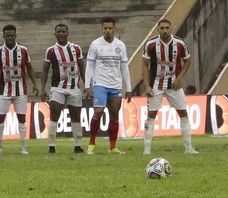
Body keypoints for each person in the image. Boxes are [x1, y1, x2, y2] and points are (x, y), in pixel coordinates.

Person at [141, 18, 197, 155]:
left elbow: (188, 61)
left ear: (171, 29)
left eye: (167, 28)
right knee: (151, 115)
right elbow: (144, 65)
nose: (164, 31)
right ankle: (147, 150)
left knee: (183, 113)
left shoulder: (179, 43)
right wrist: (147, 86)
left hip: (174, 84)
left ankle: (189, 148)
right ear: (158, 29)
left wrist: (179, 77)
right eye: (162, 28)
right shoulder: (150, 44)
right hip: (156, 84)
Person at [85, 17, 131, 154]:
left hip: (116, 86)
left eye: (110, 28)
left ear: (114, 29)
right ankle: (91, 144)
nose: (108, 31)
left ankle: (112, 147)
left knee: (114, 115)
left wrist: (128, 87)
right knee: (98, 112)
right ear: (102, 29)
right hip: (100, 84)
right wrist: (88, 85)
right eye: (105, 28)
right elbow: (89, 66)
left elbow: (124, 68)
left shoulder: (120, 46)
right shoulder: (95, 45)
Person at [41, 24, 86, 154]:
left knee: (76, 115)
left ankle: (77, 146)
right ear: (55, 34)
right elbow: (45, 70)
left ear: (67, 33)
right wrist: (42, 88)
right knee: (54, 113)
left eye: (63, 31)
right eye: (58, 32)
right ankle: (51, 146)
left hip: (74, 87)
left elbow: (82, 68)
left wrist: (87, 86)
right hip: (57, 87)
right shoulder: (51, 51)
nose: (61, 34)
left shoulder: (76, 48)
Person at [0, 24, 35, 156]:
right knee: (0, 118)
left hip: (20, 90)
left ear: (15, 36)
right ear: (3, 36)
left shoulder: (23, 50)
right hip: (3, 90)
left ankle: (22, 147)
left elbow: (29, 67)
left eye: (12, 35)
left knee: (21, 118)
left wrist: (35, 84)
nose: (10, 38)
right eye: (7, 35)